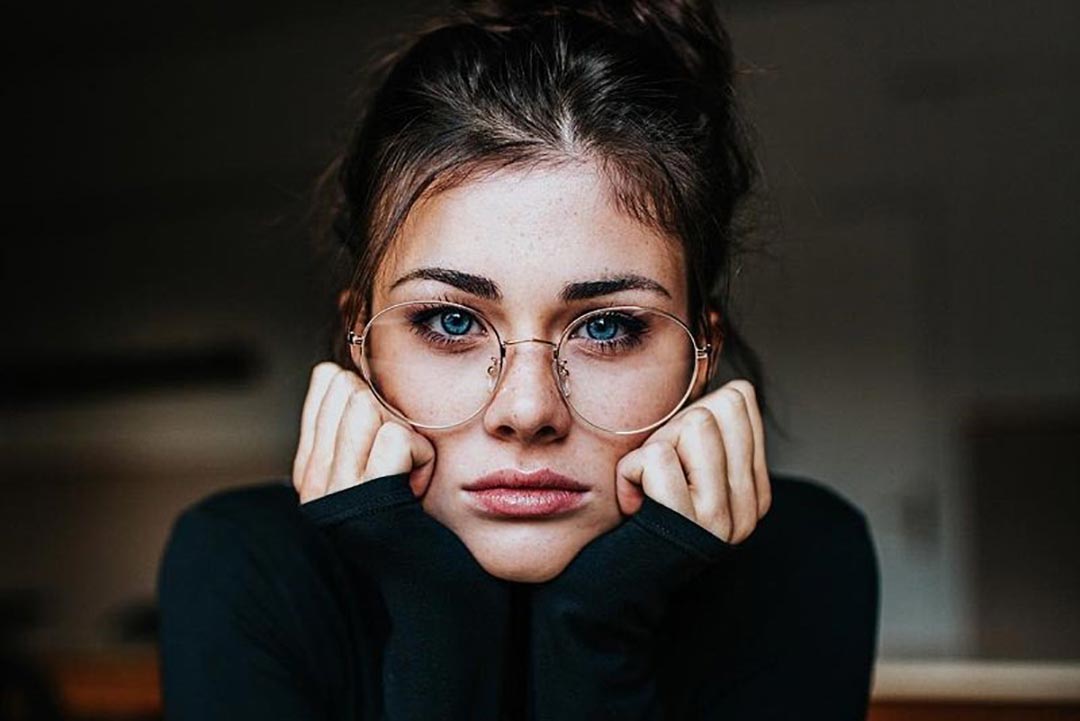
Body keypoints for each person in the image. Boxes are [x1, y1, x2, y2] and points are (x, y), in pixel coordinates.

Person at [156, 0, 880, 719]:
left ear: (703, 352)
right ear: (364, 343)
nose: (527, 411)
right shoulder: (245, 564)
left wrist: (595, 626)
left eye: (607, 327)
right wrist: (430, 606)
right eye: (449, 320)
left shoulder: (800, 562)